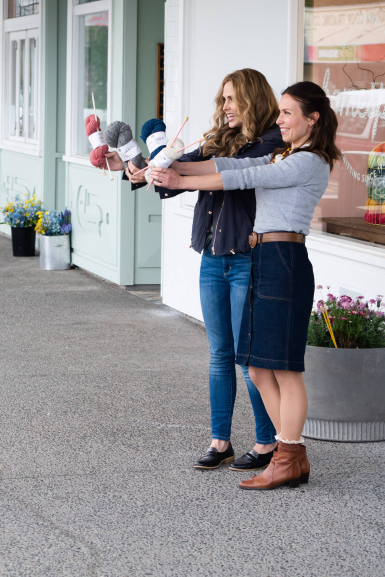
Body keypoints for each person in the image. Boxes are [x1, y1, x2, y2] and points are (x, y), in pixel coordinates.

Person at [151, 81, 340, 490]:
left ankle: (286, 455)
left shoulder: (310, 161)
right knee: (256, 366)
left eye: (287, 113)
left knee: (285, 370)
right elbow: (230, 166)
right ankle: (291, 455)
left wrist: (180, 182)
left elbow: (247, 176)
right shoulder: (286, 154)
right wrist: (174, 167)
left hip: (285, 260)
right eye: (280, 111)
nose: (280, 119)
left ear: (312, 119)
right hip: (265, 257)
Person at [107, 69, 283, 472]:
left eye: (231, 98)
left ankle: (267, 442)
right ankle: (221, 442)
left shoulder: (271, 142)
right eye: (223, 99)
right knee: (219, 354)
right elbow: (175, 172)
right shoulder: (217, 138)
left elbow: (230, 174)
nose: (225, 106)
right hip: (213, 258)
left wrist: (178, 172)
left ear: (253, 98)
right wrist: (143, 168)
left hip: (249, 258)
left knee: (248, 358)